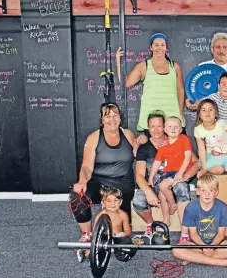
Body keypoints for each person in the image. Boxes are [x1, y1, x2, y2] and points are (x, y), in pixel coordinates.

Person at [69, 103, 147, 262]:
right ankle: (86, 235)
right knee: (77, 197)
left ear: (120, 117)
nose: (112, 119)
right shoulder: (94, 137)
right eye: (107, 116)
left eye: (115, 115)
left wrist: (144, 140)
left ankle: (113, 237)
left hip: (122, 184)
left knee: (122, 239)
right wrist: (83, 181)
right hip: (99, 183)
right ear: (102, 118)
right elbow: (86, 166)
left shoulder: (128, 134)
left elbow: (141, 153)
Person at [133, 111, 199, 243]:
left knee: (181, 188)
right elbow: (139, 176)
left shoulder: (179, 140)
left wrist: (185, 176)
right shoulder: (144, 148)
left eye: (159, 126)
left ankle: (185, 232)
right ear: (148, 127)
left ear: (164, 127)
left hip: (176, 180)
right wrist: (148, 192)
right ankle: (152, 225)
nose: (156, 130)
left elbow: (196, 163)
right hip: (156, 185)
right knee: (139, 200)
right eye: (152, 126)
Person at [116, 33, 185, 134]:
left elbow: (180, 90)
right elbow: (126, 83)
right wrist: (118, 61)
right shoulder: (143, 66)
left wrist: (180, 113)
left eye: (162, 45)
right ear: (151, 47)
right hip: (151, 119)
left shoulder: (175, 67)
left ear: (166, 48)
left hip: (172, 118)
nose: (159, 48)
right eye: (156, 45)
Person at [172, 174, 227, 268]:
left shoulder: (223, 207)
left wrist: (212, 246)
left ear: (216, 192)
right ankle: (222, 262)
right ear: (197, 191)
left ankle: (195, 258)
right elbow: (193, 234)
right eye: (203, 190)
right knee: (176, 249)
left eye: (211, 191)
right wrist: (203, 246)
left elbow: (221, 234)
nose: (207, 194)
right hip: (197, 244)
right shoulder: (190, 207)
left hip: (217, 243)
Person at [148, 117, 193, 227]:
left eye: (176, 126)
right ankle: (166, 219)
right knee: (161, 195)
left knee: (163, 186)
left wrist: (180, 173)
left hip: (181, 170)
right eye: (170, 126)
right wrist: (150, 177)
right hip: (169, 172)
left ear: (181, 129)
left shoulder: (184, 139)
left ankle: (173, 204)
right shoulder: (163, 145)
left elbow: (188, 157)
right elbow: (157, 162)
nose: (173, 129)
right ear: (165, 129)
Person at [194, 99, 227, 177]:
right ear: (199, 114)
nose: (207, 112)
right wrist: (204, 168)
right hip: (213, 156)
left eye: (210, 110)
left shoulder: (221, 123)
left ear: (216, 113)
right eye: (203, 110)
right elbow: (201, 149)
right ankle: (222, 167)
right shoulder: (198, 129)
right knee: (219, 170)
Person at [186, 73, 227, 142]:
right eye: (224, 84)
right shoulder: (212, 97)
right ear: (218, 86)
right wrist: (190, 104)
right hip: (213, 138)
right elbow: (199, 103)